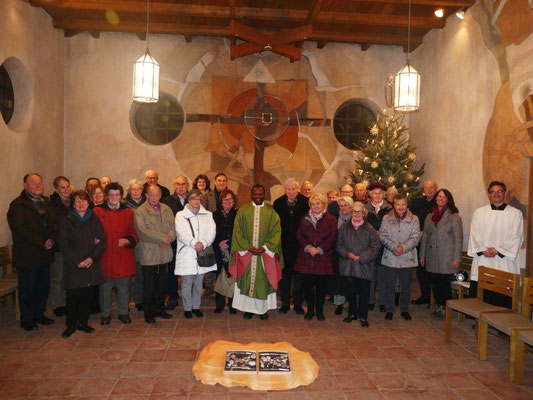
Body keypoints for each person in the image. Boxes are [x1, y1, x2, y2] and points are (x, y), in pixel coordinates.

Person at [7, 173, 58, 331]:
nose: (37, 186)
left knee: (42, 286)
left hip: (44, 254)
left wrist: (52, 239)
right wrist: (43, 241)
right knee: (28, 288)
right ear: (25, 185)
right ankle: (27, 319)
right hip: (28, 255)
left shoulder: (47, 202)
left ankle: (39, 314)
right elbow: (20, 229)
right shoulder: (17, 205)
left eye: (40, 183)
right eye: (33, 183)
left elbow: (54, 224)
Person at [229, 185, 283, 320]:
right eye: (255, 194)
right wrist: (248, 247)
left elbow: (276, 232)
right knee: (247, 280)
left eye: (260, 194)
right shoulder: (243, 211)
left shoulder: (271, 212)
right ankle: (248, 309)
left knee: (263, 280)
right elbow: (237, 231)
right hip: (247, 254)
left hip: (265, 255)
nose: (258, 197)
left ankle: (262, 310)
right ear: (251, 194)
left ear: (264, 194)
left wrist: (265, 247)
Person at [467, 181, 524, 309]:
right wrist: (482, 250)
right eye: (493, 192)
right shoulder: (479, 212)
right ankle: (480, 321)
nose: (496, 194)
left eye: (500, 191)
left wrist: (498, 250)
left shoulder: (515, 214)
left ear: (505, 193)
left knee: (502, 293)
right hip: (484, 258)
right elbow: (474, 234)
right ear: (489, 194)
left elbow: (516, 236)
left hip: (504, 261)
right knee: (482, 296)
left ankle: (501, 323)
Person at [58, 190, 106, 338]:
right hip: (74, 265)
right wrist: (78, 261)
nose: (81, 204)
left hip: (91, 264)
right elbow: (64, 243)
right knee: (72, 298)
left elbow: (102, 239)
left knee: (87, 297)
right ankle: (71, 326)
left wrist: (92, 258)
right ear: (73, 203)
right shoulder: (66, 219)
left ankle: (83, 323)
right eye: (78, 201)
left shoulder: (94, 217)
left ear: (88, 202)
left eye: (84, 201)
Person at [93, 183, 138, 325]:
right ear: (107, 196)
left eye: (117, 194)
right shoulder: (98, 211)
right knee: (105, 290)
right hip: (105, 256)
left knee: (124, 288)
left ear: (121, 196)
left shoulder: (128, 212)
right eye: (111, 195)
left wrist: (128, 240)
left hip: (123, 255)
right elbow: (92, 231)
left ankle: (124, 313)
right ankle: (105, 314)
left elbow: (134, 232)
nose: (114, 197)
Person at [134, 185, 175, 323]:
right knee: (149, 286)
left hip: (165, 252)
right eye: (151, 195)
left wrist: (170, 238)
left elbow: (173, 227)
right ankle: (149, 313)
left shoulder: (166, 209)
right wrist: (164, 238)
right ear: (146, 195)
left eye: (156, 195)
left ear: (160, 195)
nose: (153, 198)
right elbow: (142, 232)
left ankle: (160, 309)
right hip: (149, 253)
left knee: (163, 284)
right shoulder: (140, 211)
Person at [420, 189, 463, 318]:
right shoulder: (430, 216)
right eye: (439, 196)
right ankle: (439, 305)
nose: (441, 199)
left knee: (444, 284)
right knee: (434, 282)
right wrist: (422, 255)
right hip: (432, 255)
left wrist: (456, 258)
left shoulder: (454, 216)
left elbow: (458, 239)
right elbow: (425, 236)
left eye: (444, 197)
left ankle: (446, 308)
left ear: (448, 199)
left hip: (446, 256)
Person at [337, 201, 381, 327]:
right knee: (350, 292)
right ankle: (351, 314)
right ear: (351, 212)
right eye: (354, 211)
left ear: (364, 213)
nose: (357, 214)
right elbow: (339, 245)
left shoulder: (370, 229)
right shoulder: (344, 228)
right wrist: (347, 254)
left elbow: (375, 247)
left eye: (359, 211)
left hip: (364, 266)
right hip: (348, 265)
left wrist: (362, 257)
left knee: (364, 293)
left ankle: (363, 316)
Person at [294, 193, 337, 321]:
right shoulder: (305, 218)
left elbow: (333, 237)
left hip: (323, 258)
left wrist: (320, 249)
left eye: (318, 203)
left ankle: (319, 311)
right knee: (307, 287)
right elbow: (299, 235)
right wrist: (308, 248)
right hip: (307, 258)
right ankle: (310, 311)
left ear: (323, 204)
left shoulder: (331, 219)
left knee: (320, 288)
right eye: (313, 204)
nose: (315, 206)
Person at [175, 189, 217, 318]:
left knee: (199, 283)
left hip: (202, 253)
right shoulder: (180, 215)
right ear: (188, 200)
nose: (196, 201)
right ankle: (187, 308)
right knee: (187, 282)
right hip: (187, 252)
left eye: (198, 199)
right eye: (193, 199)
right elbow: (180, 232)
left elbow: (212, 231)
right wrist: (194, 243)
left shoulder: (208, 214)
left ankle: (196, 307)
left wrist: (203, 243)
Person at [380, 193, 420, 321]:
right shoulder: (386, 218)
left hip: (407, 257)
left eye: (403, 204)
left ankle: (404, 310)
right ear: (394, 205)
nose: (401, 207)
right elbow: (382, 235)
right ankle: (389, 310)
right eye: (398, 204)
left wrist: (402, 248)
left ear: (406, 205)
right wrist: (394, 247)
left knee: (406, 287)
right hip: (390, 257)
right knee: (389, 286)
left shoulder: (414, 219)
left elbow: (415, 238)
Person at [273, 178, 309, 315]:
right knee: (285, 277)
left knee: (299, 276)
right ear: (285, 189)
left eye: (294, 189)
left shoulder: (306, 203)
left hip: (301, 245)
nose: (291, 192)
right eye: (289, 189)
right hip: (284, 245)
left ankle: (298, 304)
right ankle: (285, 304)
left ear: (298, 189)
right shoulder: (278, 203)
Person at [162, 175, 190, 310]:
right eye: (178, 184)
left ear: (188, 186)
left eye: (183, 184)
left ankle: (188, 297)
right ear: (174, 186)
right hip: (173, 242)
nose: (181, 186)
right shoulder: (167, 201)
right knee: (171, 272)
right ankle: (173, 297)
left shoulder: (193, 200)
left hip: (189, 244)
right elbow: (165, 222)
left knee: (188, 271)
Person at [365, 183, 392, 312]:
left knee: (383, 276)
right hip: (369, 246)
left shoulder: (390, 208)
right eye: (375, 193)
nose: (377, 195)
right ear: (370, 194)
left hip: (385, 246)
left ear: (384, 195)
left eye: (380, 193)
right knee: (370, 275)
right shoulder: (365, 208)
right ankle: (370, 300)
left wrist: (382, 234)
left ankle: (382, 301)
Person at [410, 180, 438, 305]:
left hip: (433, 241)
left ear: (436, 189)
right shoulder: (418, 202)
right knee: (421, 270)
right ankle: (425, 295)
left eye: (431, 187)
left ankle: (434, 299)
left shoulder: (439, 201)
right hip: (419, 239)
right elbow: (410, 218)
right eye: (426, 188)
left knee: (432, 269)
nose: (429, 190)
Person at [49, 175, 72, 317]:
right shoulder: (50, 203)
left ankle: (68, 302)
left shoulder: (74, 201)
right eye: (62, 187)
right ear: (56, 189)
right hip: (58, 246)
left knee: (69, 276)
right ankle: (58, 304)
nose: (65, 190)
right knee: (58, 277)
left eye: (67, 186)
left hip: (73, 246)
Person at [212, 189, 238, 313]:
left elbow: (241, 232)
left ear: (234, 201)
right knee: (219, 276)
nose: (227, 201)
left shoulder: (239, 214)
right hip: (218, 250)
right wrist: (219, 243)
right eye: (224, 199)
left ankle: (232, 305)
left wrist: (229, 244)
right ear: (221, 202)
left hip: (233, 250)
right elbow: (211, 232)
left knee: (233, 277)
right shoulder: (214, 215)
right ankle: (219, 304)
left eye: (230, 199)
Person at [328, 196, 353, 315]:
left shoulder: (356, 218)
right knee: (338, 280)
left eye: (346, 205)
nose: (343, 208)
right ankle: (339, 304)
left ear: (351, 206)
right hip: (338, 254)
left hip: (352, 254)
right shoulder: (334, 219)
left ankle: (350, 302)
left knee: (351, 279)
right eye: (341, 206)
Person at [124, 179, 146, 311]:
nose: (136, 191)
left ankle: (139, 299)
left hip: (143, 244)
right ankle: (125, 301)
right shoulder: (123, 205)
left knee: (140, 273)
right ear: (128, 191)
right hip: (128, 243)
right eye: (133, 189)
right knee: (126, 275)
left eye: (138, 189)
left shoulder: (148, 203)